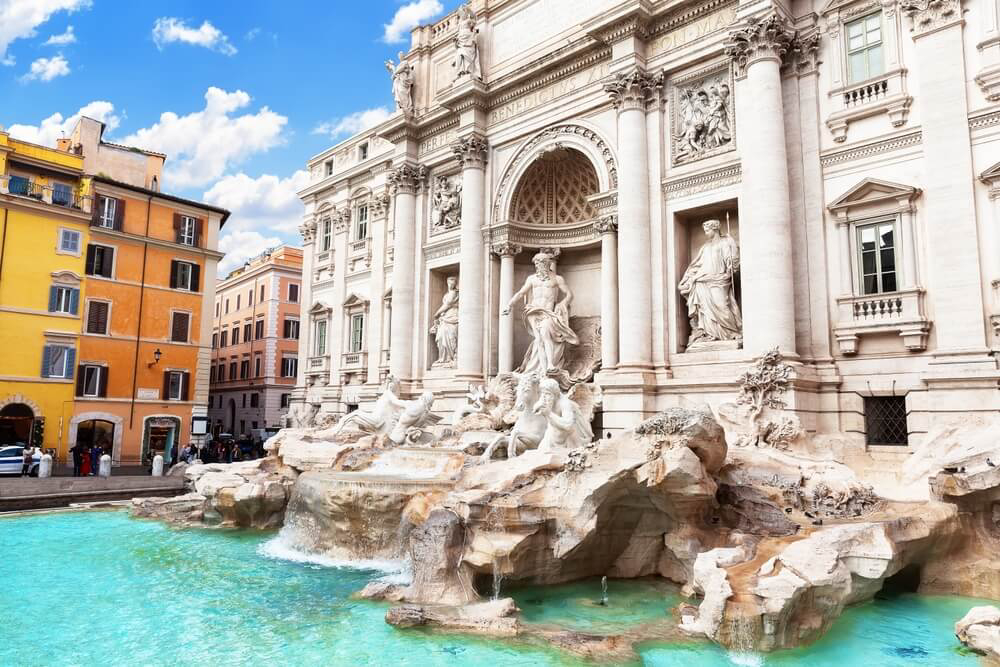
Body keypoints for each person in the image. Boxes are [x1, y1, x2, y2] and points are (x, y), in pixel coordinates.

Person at [502, 252, 578, 376]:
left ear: (548, 263)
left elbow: (569, 295)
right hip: (533, 311)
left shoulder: (557, 278)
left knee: (545, 333)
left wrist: (563, 303)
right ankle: (544, 369)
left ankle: (550, 364)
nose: (538, 266)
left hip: (548, 312)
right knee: (539, 339)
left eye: (541, 263)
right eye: (537, 264)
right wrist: (509, 305)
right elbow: (521, 293)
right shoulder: (532, 279)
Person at [678, 219, 742, 347]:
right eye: (705, 231)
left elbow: (733, 262)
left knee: (722, 304)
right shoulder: (705, 247)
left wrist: (732, 249)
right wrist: (689, 279)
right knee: (705, 309)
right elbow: (697, 265)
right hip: (703, 280)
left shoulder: (726, 242)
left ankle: (731, 332)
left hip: (720, 279)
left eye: (708, 230)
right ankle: (709, 334)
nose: (706, 233)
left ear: (715, 229)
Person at [430, 276, 459, 368]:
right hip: (445, 317)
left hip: (452, 316)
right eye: (449, 282)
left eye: (453, 283)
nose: (451, 284)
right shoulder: (446, 294)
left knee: (450, 337)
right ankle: (443, 358)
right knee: (441, 337)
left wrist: (437, 313)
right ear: (447, 283)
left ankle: (450, 358)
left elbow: (448, 304)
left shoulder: (454, 293)